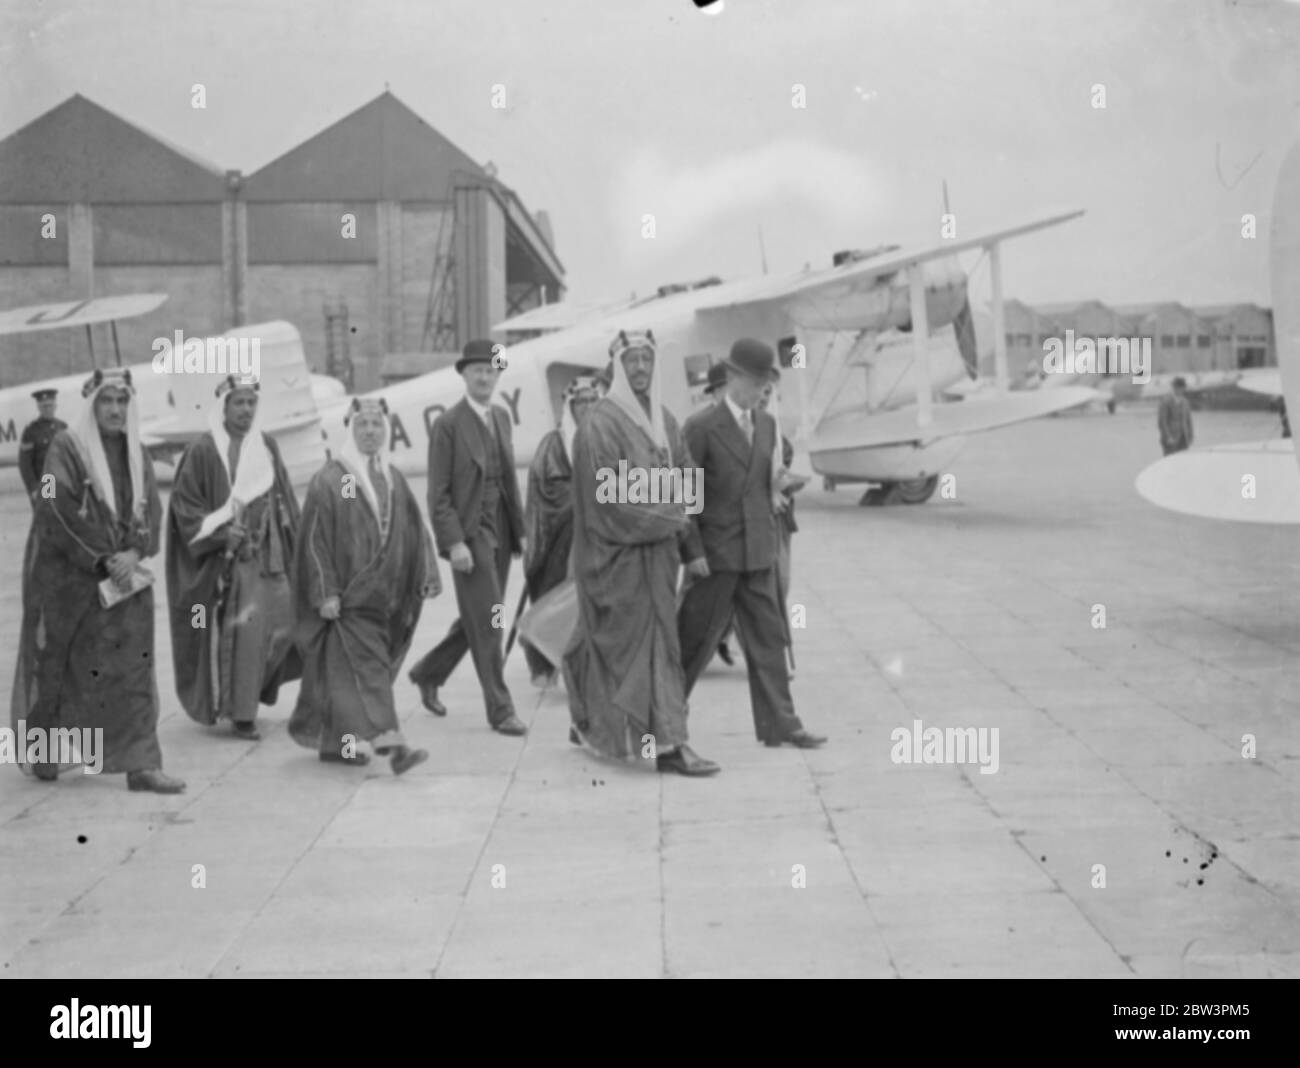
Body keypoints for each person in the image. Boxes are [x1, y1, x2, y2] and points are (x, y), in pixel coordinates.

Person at [11, 368, 184, 792]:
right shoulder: (65, 451)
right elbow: (52, 508)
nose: (115, 410)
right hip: (69, 580)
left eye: (122, 401)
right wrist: (102, 557)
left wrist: (132, 552)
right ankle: (46, 747)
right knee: (60, 664)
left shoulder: (136, 453)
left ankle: (142, 763)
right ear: (92, 406)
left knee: (134, 668)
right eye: (106, 401)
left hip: (123, 579)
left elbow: (150, 513)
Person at [563, 329, 719, 776]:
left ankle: (629, 732)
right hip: (616, 563)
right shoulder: (599, 425)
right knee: (629, 655)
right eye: (631, 360)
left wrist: (690, 547)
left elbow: (688, 481)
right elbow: (611, 500)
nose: (640, 368)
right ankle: (668, 745)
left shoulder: (665, 420)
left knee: (655, 652)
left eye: (646, 360)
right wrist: (670, 511)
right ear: (615, 366)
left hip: (658, 560)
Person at [677, 339, 826, 749]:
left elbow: (764, 480)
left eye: (768, 382)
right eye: (759, 381)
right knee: (692, 641)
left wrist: (781, 486)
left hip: (757, 552)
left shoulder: (768, 426)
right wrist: (692, 552)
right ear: (736, 378)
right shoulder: (700, 428)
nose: (764, 389)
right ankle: (665, 720)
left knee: (769, 640)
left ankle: (783, 723)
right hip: (717, 557)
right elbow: (685, 497)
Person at [288, 397, 439, 775]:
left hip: (385, 598)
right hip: (349, 599)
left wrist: (427, 572)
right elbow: (316, 540)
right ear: (350, 430)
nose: (370, 432)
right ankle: (391, 741)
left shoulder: (392, 477)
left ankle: (333, 744)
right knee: (369, 673)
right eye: (362, 425)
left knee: (342, 676)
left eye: (376, 425)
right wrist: (325, 592)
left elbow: (415, 528)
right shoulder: (336, 479)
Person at [165, 374, 301, 740]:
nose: (246, 410)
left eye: (251, 402)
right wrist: (224, 534)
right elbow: (186, 508)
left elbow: (285, 496)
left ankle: (248, 693)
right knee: (248, 635)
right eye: (238, 403)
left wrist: (298, 543)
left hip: (272, 555)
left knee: (288, 625)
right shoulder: (204, 450)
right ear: (223, 407)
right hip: (235, 561)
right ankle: (242, 714)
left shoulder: (267, 444)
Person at [408, 339, 528, 736]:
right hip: (471, 534)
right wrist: (455, 542)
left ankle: (429, 671)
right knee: (491, 620)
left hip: (502, 531)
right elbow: (438, 494)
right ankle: (501, 709)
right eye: (477, 369)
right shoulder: (448, 425)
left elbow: (509, 479)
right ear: (463, 374)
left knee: (480, 615)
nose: (485, 376)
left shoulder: (502, 419)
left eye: (491, 370)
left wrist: (520, 534)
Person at [521, 374, 600, 686]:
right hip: (559, 537)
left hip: (598, 536)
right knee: (552, 597)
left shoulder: (609, 437)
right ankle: (542, 663)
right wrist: (583, 498)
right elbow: (545, 491)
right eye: (581, 402)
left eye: (593, 400)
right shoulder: (553, 444)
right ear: (571, 406)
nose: (588, 407)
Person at [18, 388, 67, 506]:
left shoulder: (63, 427)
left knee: (65, 521)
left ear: (55, 406)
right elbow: (25, 464)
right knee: (48, 520)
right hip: (46, 481)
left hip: (64, 482)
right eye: (44, 406)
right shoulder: (31, 430)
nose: (48, 409)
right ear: (39, 408)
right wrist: (33, 488)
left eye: (50, 405)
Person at [1158, 377, 1194, 455]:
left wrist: (1190, 436)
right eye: (1178, 387)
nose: (1180, 390)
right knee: (1169, 463)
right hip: (1170, 439)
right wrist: (1168, 437)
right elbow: (1162, 422)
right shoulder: (1166, 401)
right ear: (1174, 387)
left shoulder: (1185, 402)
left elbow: (1188, 421)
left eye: (1182, 388)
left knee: (1183, 463)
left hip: (1184, 439)